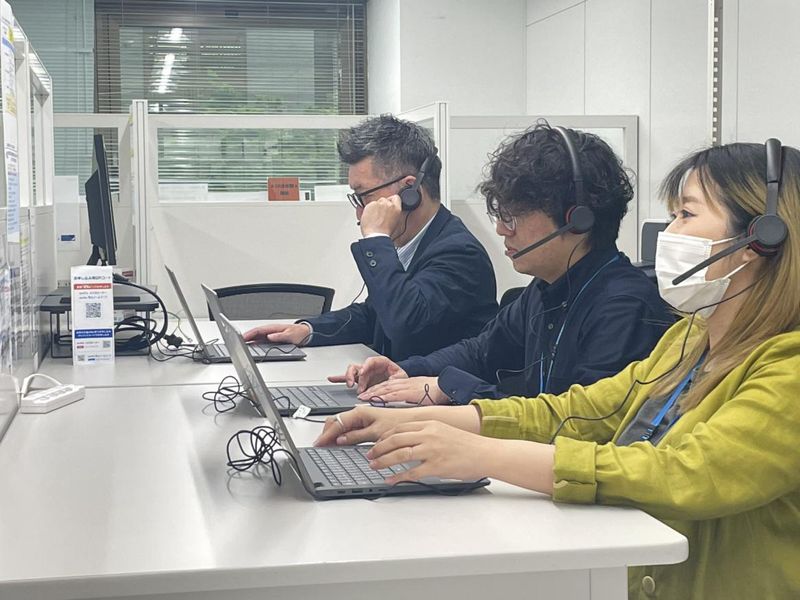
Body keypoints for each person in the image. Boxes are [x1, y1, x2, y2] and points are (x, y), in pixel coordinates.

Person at [315, 140, 800, 598]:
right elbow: (582, 410)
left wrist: (481, 453)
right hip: (621, 568)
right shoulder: (690, 340)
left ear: (762, 240)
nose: (668, 234)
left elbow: (688, 473)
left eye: (686, 215)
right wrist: (413, 421)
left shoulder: (788, 367)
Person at [331, 123, 672, 405]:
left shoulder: (624, 308)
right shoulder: (546, 288)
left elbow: (573, 422)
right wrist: (407, 370)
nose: (501, 230)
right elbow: (481, 352)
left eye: (512, 217)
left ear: (576, 220)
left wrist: (449, 388)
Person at [243, 115, 498, 362]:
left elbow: (404, 324)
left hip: (436, 389)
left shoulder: (459, 253)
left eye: (364, 196)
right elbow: (373, 316)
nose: (359, 212)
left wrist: (376, 237)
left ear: (409, 191)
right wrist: (307, 330)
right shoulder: (411, 243)